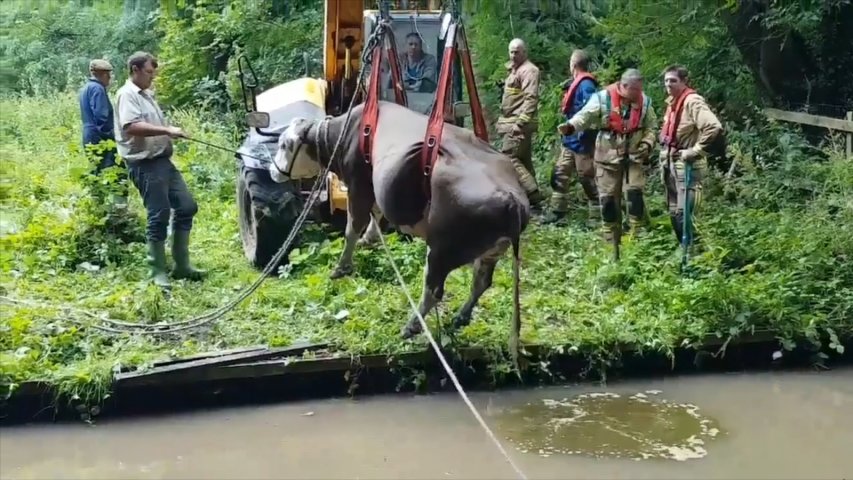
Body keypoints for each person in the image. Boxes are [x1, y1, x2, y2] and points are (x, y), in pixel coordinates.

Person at [114, 51, 205, 289]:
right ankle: (157, 271)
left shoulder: (147, 95)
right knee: (159, 213)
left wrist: (170, 134)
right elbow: (132, 127)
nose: (152, 77)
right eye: (148, 72)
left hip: (163, 161)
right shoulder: (127, 95)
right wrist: (167, 131)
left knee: (187, 206)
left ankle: (182, 266)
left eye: (153, 72)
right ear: (135, 70)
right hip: (144, 163)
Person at [558, 68, 657, 249]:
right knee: (608, 201)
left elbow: (652, 128)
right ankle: (611, 243)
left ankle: (637, 240)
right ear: (624, 86)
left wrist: (647, 144)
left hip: (634, 157)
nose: (638, 94)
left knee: (634, 195)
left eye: (640, 90)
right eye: (635, 90)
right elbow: (585, 116)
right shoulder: (603, 99)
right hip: (607, 158)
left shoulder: (645, 103)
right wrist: (571, 126)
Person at [658, 64, 723, 246]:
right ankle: (686, 251)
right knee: (674, 213)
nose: (669, 85)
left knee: (686, 213)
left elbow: (713, 126)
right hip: (670, 163)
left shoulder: (692, 101)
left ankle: (700, 255)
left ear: (684, 81)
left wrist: (696, 150)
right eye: (666, 81)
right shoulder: (672, 102)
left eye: (673, 81)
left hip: (687, 165)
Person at [541, 49, 600, 225]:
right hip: (570, 141)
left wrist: (584, 136)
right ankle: (557, 212)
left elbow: (591, 112)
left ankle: (597, 217)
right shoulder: (575, 83)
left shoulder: (586, 85)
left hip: (582, 141)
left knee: (587, 178)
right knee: (559, 173)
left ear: (573, 64)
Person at [496, 38, 544, 209]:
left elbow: (531, 99)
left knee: (510, 158)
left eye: (517, 51)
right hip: (512, 122)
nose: (513, 55)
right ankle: (534, 201)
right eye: (511, 52)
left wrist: (520, 123)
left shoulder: (529, 71)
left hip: (518, 123)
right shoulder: (515, 70)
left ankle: (533, 195)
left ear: (525, 52)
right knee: (523, 160)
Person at [79, 59, 126, 200]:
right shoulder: (97, 89)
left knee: (96, 171)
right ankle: (118, 209)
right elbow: (101, 117)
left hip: (89, 135)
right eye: (109, 74)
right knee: (113, 170)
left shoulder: (85, 88)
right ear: (102, 74)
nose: (110, 78)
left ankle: (98, 206)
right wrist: (113, 136)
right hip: (100, 136)